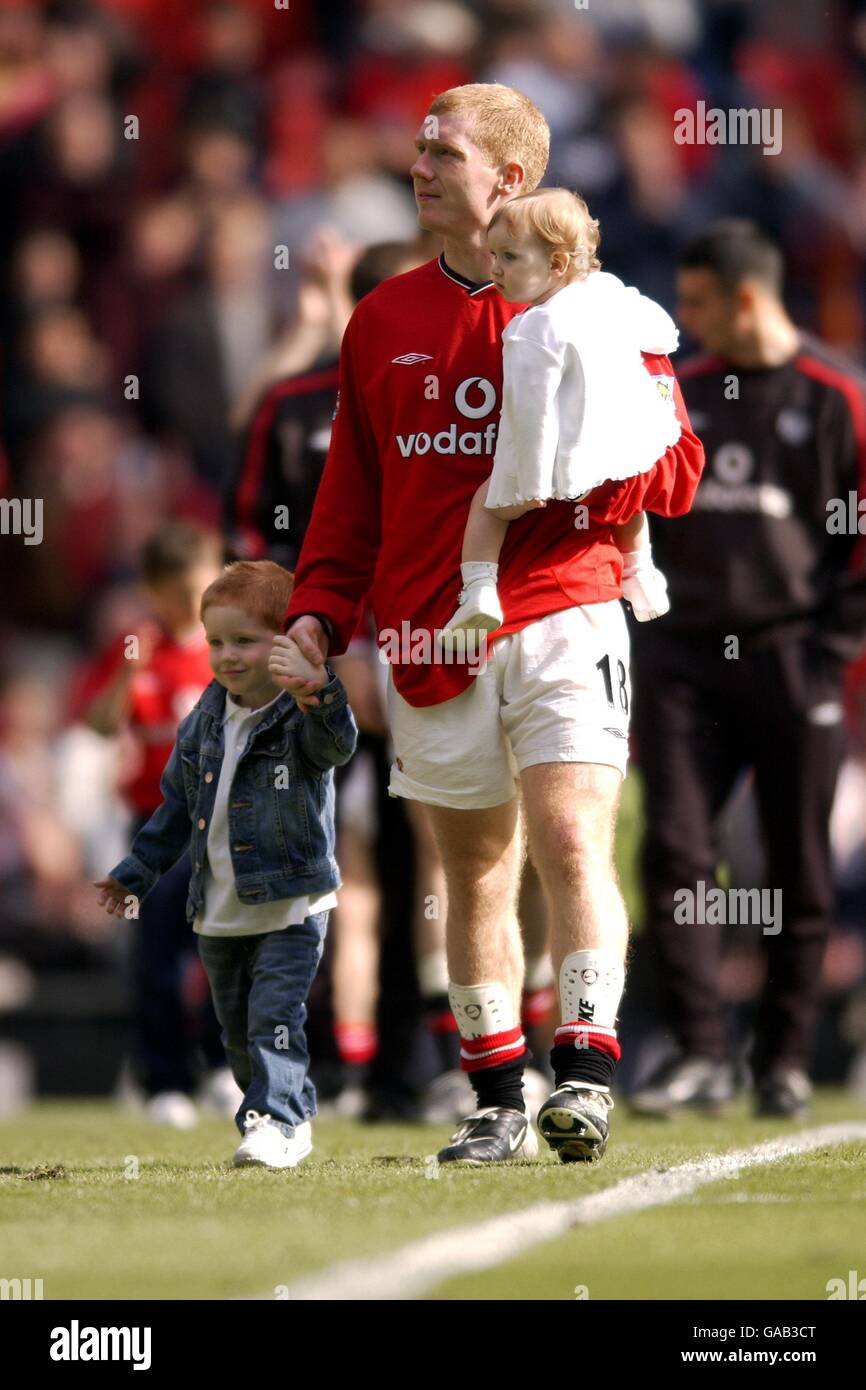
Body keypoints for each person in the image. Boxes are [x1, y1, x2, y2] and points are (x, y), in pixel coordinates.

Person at [272, 82, 704, 1165]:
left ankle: (588, 1071)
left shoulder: (600, 309)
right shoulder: (381, 318)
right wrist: (323, 612)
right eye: (415, 150)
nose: (416, 167)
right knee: (471, 871)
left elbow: (678, 472)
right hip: (427, 633)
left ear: (507, 180)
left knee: (570, 835)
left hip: (565, 605)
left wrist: (592, 484)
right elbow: (350, 498)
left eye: (441, 153)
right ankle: (496, 1097)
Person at [630, 220, 866, 1120]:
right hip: (684, 660)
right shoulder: (676, 395)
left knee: (798, 867)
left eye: (694, 303)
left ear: (745, 297)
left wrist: (828, 651)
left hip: (792, 659)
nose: (683, 322)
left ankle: (785, 1059)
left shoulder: (836, 396)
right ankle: (701, 1053)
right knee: (677, 853)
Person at [94, 560, 358, 1168]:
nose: (227, 655)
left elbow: (337, 743)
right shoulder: (203, 722)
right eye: (216, 641)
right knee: (237, 1035)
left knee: (274, 1016)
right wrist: (134, 872)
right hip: (219, 908)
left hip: (291, 902)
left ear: (286, 641)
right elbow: (175, 811)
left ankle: (275, 1122)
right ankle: (286, 1103)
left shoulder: (302, 713)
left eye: (244, 640)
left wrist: (319, 691)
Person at [442, 186, 680, 640]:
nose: (496, 269)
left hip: (559, 460)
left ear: (556, 264)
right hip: (621, 449)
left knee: (487, 505)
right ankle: (641, 570)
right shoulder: (609, 292)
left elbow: (531, 410)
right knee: (628, 506)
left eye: (509, 257)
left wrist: (527, 484)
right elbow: (662, 332)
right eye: (494, 255)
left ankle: (477, 590)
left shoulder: (530, 327)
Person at [74, 520, 233, 1128]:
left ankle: (224, 1067)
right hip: (156, 826)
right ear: (151, 590)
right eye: (172, 593)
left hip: (223, 819)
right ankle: (164, 1078)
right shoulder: (138, 649)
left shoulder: (229, 648)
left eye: (195, 590)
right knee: (158, 955)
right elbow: (98, 726)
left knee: (226, 947)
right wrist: (126, 675)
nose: (184, 606)